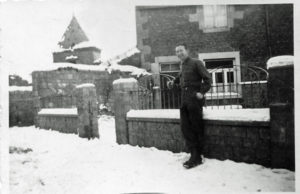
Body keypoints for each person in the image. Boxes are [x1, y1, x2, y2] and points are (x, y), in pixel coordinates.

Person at [168, 43, 212, 169]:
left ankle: (197, 157)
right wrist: (173, 82)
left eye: (181, 50)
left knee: (196, 127)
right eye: (177, 52)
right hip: (184, 100)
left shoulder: (196, 63)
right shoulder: (182, 65)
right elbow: (181, 77)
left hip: (194, 99)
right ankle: (194, 153)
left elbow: (208, 79)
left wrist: (201, 92)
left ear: (187, 50)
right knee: (185, 128)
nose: (179, 53)